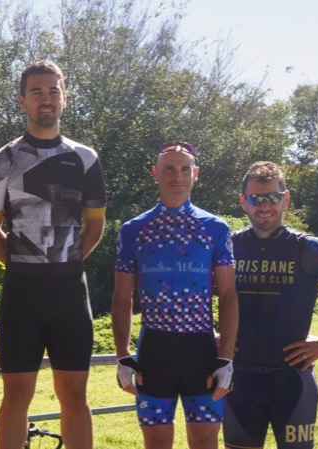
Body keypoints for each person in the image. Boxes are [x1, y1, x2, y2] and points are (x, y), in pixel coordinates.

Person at [0, 60, 107, 449]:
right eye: (36, 92)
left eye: (53, 91)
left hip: (70, 292)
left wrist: (65, 262)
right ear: (22, 101)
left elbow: (95, 226)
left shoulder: (86, 159)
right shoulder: (2, 160)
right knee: (16, 396)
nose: (45, 99)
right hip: (22, 294)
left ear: (64, 98)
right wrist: (23, 263)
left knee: (75, 396)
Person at [224, 161, 318, 449]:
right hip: (239, 379)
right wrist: (210, 335)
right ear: (243, 202)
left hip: (291, 379)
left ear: (286, 198)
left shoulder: (308, 248)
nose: (265, 206)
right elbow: (193, 293)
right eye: (256, 198)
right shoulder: (228, 247)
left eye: (273, 197)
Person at [111, 141, 238, 449]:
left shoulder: (216, 228)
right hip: (154, 352)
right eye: (168, 168)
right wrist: (123, 355)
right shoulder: (133, 229)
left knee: (205, 441)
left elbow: (228, 294)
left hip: (201, 352)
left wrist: (226, 358)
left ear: (196, 174)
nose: (177, 176)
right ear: (155, 173)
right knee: (156, 443)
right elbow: (122, 296)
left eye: (184, 169)